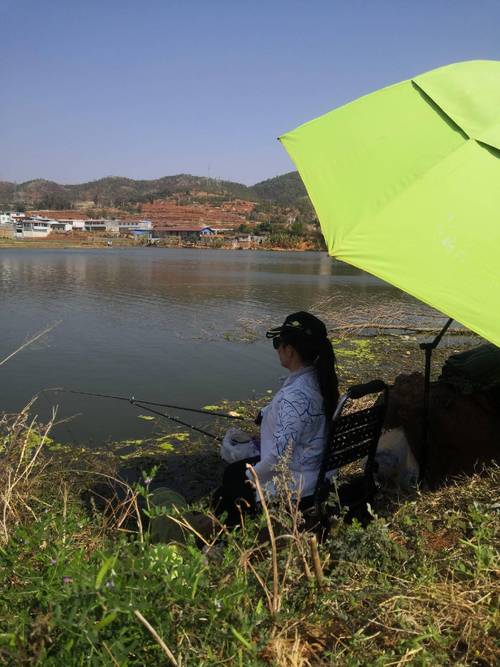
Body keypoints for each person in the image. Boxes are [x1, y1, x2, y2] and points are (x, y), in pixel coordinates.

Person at [212, 311, 339, 526]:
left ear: (290, 350)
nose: (278, 349)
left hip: (300, 481)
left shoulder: (295, 397)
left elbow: (278, 459)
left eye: (278, 343)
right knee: (233, 472)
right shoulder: (317, 381)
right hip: (316, 467)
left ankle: (231, 536)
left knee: (231, 485)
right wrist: (267, 415)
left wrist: (252, 479)